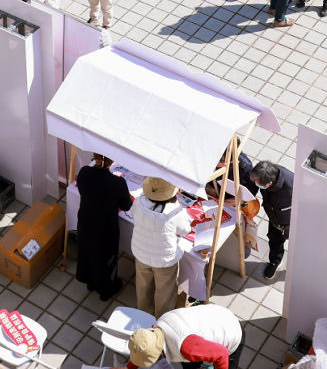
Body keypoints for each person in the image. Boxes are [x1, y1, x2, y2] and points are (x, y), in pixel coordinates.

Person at [130, 176, 192, 317]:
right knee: (165, 293)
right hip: (165, 260)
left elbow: (133, 214)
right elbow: (185, 230)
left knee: (143, 287)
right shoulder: (174, 211)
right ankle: (161, 320)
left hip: (141, 253)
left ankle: (143, 315)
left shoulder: (139, 202)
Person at [76, 154, 133, 300]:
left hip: (86, 220)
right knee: (106, 258)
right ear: (111, 161)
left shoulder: (84, 172)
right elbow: (126, 205)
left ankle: (90, 282)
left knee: (88, 251)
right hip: (105, 226)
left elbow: (82, 190)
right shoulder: (117, 183)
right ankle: (106, 290)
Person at [127, 304, 243, 369]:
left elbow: (222, 354)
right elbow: (142, 346)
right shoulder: (156, 329)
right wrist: (129, 368)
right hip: (214, 315)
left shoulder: (187, 348)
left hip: (231, 332)